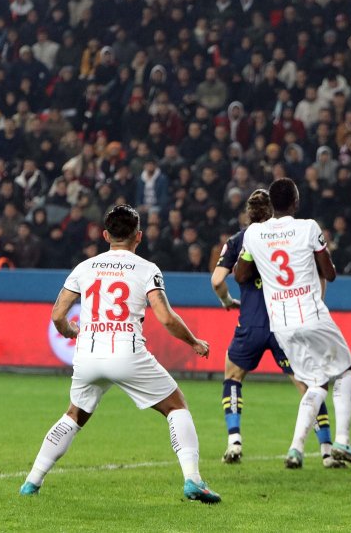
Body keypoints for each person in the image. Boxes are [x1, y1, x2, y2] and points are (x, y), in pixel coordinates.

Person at [18, 205, 220, 503]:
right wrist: (193, 341)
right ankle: (193, 480)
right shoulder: (147, 269)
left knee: (74, 415)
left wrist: (70, 332)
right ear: (138, 236)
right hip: (127, 351)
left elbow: (58, 314)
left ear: (105, 235)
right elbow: (165, 317)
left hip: (88, 353)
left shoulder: (85, 267)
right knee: (176, 406)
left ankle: (31, 482)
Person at [234, 178, 351, 470]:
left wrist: (262, 261)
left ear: (271, 204)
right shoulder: (309, 227)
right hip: (310, 312)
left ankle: (296, 448)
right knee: (345, 371)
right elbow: (329, 273)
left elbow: (240, 274)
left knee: (316, 382)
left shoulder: (254, 233)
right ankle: (343, 440)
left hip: (281, 323)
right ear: (295, 202)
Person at [211, 190, 339, 467]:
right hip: (287, 321)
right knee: (308, 385)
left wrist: (227, 302)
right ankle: (327, 451)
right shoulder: (293, 234)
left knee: (233, 378)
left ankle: (234, 440)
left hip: (251, 322)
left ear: (248, 213)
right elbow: (319, 273)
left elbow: (217, 280)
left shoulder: (239, 240)